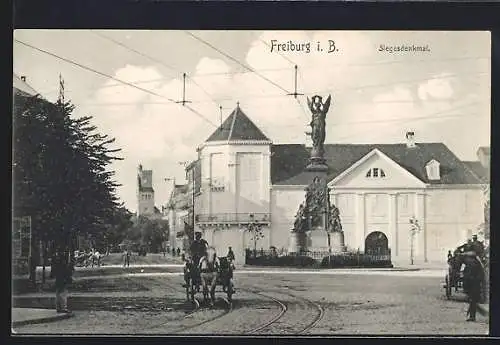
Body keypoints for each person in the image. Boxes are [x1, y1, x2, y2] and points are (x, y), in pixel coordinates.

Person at [462, 251, 485, 321]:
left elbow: (467, 276)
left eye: (467, 258)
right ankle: (472, 316)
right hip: (473, 286)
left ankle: (472, 317)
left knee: (473, 301)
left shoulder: (473, 265)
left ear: (471, 258)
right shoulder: (475, 264)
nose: (466, 259)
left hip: (474, 286)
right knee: (472, 301)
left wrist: (472, 280)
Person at [52, 246, 72, 313]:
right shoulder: (63, 260)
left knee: (58, 293)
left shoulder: (55, 259)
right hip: (62, 278)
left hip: (58, 278)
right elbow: (65, 270)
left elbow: (54, 269)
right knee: (63, 293)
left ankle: (58, 307)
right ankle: (63, 307)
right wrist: (68, 277)